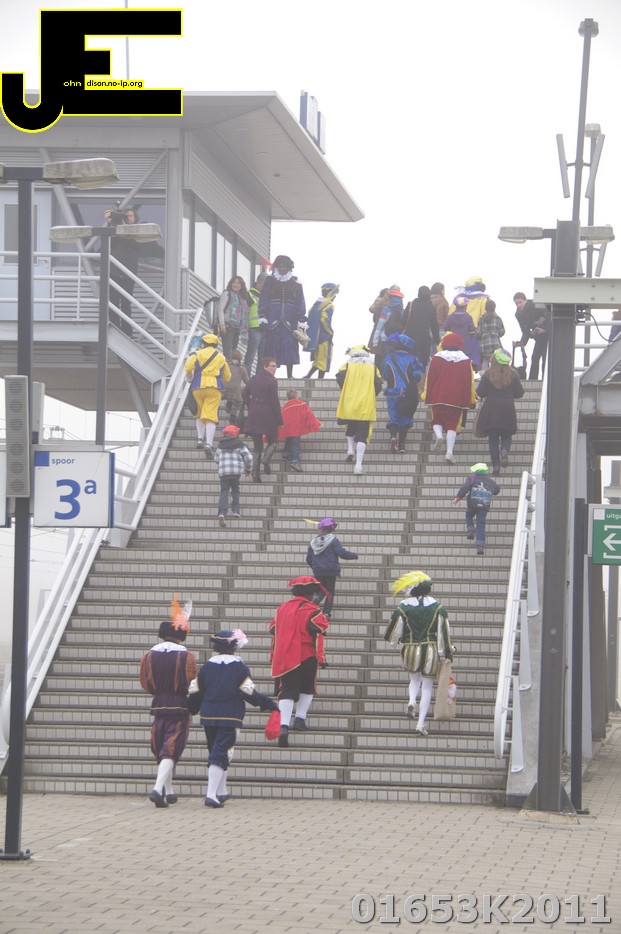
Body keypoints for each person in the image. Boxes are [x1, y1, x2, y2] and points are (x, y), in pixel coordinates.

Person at [196, 628, 278, 807]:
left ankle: (221, 790)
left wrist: (191, 708)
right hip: (230, 715)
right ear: (234, 647)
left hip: (208, 714)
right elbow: (247, 691)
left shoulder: (207, 666)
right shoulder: (239, 666)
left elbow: (197, 690)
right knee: (221, 752)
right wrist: (267, 703)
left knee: (215, 751)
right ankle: (211, 794)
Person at [139, 598, 197, 808]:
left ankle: (169, 790)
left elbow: (145, 682)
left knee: (161, 746)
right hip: (179, 705)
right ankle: (157, 789)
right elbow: (192, 681)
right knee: (171, 747)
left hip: (158, 705)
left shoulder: (148, 656)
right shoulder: (187, 656)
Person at [384, 570, 454, 736]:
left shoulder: (404, 606)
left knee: (414, 680)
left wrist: (395, 641)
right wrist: (447, 651)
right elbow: (443, 631)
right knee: (427, 687)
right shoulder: (437, 607)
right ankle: (420, 723)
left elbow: (393, 630)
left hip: (410, 649)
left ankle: (411, 701)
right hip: (430, 650)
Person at [269, 576, 330, 747]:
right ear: (311, 593)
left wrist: (273, 656)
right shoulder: (313, 610)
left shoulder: (281, 609)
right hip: (306, 655)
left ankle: (283, 727)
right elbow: (319, 632)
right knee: (307, 688)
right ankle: (300, 719)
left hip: (285, 656)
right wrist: (321, 658)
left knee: (287, 690)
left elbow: (273, 631)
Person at [421, 332, 477, 464]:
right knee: (452, 425)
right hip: (456, 398)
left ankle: (439, 435)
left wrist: (426, 394)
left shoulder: (436, 358)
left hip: (438, 395)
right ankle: (449, 453)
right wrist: (472, 398)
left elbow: (430, 378)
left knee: (436, 420)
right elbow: (470, 381)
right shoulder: (465, 360)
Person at [474, 348, 525, 474]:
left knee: (493, 439)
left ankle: (496, 465)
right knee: (507, 435)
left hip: (491, 409)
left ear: (494, 360)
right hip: (508, 408)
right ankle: (505, 451)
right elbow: (519, 393)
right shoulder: (513, 374)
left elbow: (480, 392)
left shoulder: (488, 373)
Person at [335, 344, 383, 475]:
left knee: (350, 426)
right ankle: (358, 466)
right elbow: (378, 384)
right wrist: (371, 394)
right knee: (363, 435)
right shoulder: (373, 367)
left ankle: (350, 449)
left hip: (350, 402)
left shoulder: (347, 365)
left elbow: (339, 377)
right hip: (366, 404)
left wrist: (347, 389)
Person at [184, 332, 231, 459]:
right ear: (216, 345)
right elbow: (227, 377)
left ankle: (200, 439)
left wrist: (189, 376)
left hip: (197, 386)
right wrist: (221, 379)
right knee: (210, 416)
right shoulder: (221, 357)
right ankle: (209, 444)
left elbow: (188, 367)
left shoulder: (197, 354)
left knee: (199, 413)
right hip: (214, 387)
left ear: (203, 343)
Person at [259, 255, 307, 377]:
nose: (281, 269)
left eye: (284, 266)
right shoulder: (269, 280)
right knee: (271, 347)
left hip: (290, 321)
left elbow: (300, 301)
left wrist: (301, 318)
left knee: (289, 347)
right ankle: (270, 374)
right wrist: (263, 315)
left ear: (289, 267)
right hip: (272, 319)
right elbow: (264, 299)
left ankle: (289, 375)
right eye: (279, 266)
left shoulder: (296, 282)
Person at [305, 517, 358, 619]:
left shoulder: (313, 542)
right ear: (331, 530)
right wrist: (354, 555)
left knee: (320, 589)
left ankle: (316, 601)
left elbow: (308, 559)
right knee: (329, 592)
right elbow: (341, 553)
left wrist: (315, 567)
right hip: (330, 571)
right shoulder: (333, 540)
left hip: (318, 571)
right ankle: (326, 613)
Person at [381, 333, 425, 453]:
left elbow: (385, 374)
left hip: (392, 392)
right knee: (406, 417)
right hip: (407, 392)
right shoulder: (412, 358)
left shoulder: (389, 357)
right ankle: (402, 445)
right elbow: (417, 375)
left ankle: (393, 436)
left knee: (394, 415)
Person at [241, 355, 283, 481]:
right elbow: (275, 402)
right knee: (273, 440)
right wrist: (279, 420)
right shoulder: (272, 381)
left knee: (257, 446)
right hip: (268, 415)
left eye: (276, 366)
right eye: (273, 366)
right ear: (265, 366)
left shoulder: (254, 378)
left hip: (254, 415)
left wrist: (251, 405)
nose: (275, 368)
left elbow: (244, 393)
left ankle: (255, 474)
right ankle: (266, 459)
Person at [106, 205, 141, 335]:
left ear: (135, 218)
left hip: (129, 273)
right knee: (113, 302)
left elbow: (135, 245)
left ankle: (127, 332)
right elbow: (108, 243)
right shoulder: (115, 231)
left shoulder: (138, 232)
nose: (129, 218)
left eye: (131, 216)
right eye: (126, 216)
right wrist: (111, 223)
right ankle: (114, 329)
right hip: (114, 272)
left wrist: (125, 227)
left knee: (126, 303)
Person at [452, 462, 500, 556]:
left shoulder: (472, 479)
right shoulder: (490, 481)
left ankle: (470, 529)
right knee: (481, 523)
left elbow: (464, 488)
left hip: (472, 504)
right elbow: (497, 490)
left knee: (469, 515)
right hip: (484, 505)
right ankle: (480, 545)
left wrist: (457, 498)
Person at [214, 424, 253, 527]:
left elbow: (216, 459)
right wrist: (248, 469)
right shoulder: (239, 444)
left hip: (223, 472)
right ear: (235, 433)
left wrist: (222, 463)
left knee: (224, 491)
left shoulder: (220, 445)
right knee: (235, 490)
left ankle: (222, 513)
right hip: (235, 472)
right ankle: (236, 510)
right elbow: (249, 457)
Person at [278, 388, 322, 472]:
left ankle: (285, 453)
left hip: (288, 428)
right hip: (296, 427)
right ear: (296, 396)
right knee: (295, 444)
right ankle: (295, 461)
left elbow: (281, 418)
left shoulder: (285, 407)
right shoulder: (301, 404)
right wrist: (316, 423)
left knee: (289, 438)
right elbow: (308, 414)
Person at [304, 282, 339, 379]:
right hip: (324, 337)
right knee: (324, 359)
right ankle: (320, 380)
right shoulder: (329, 305)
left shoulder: (315, 305)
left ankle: (308, 376)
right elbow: (324, 319)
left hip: (314, 338)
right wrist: (330, 332)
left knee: (318, 359)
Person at [402, 285, 440, 370]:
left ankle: (408, 376)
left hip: (409, 338)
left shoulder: (411, 304)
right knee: (421, 363)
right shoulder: (430, 308)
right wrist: (438, 341)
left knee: (408, 361)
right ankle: (419, 377)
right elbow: (434, 326)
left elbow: (403, 321)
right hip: (423, 340)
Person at [513, 291, 549, 379]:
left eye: (520, 302)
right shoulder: (518, 314)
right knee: (535, 357)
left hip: (549, 334)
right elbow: (525, 331)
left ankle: (545, 379)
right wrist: (521, 343)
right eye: (516, 303)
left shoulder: (535, 304)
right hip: (538, 336)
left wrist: (545, 330)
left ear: (525, 300)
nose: (518, 305)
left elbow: (549, 316)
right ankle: (533, 379)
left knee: (545, 358)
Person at [216, 275, 252, 362]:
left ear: (241, 285)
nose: (236, 284)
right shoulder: (227, 293)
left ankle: (231, 369)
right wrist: (222, 324)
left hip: (237, 327)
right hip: (228, 326)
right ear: (231, 284)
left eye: (238, 283)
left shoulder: (242, 298)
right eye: (234, 282)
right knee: (227, 353)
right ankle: (227, 369)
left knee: (233, 352)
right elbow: (220, 310)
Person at [370, 286, 405, 372]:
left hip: (381, 335)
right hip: (391, 336)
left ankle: (380, 375)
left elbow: (375, 318)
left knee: (380, 359)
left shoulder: (387, 306)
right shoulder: (397, 306)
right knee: (385, 359)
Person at [444, 299, 482, 371]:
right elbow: (472, 329)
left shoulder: (450, 317)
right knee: (463, 361)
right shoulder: (468, 317)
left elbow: (446, 328)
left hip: (453, 342)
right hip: (465, 343)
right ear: (465, 307)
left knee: (453, 361)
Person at [244, 277, 267, 376]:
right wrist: (244, 330)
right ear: (257, 283)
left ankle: (259, 379)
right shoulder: (249, 294)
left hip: (265, 330)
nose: (264, 287)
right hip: (254, 329)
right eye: (262, 284)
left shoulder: (266, 297)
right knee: (250, 357)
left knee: (262, 358)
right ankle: (246, 379)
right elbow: (245, 313)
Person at [222, 347, 249, 427]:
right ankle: (233, 417)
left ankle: (229, 402)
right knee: (238, 401)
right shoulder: (242, 368)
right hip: (235, 391)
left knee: (227, 394)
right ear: (240, 358)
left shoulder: (226, 365)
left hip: (224, 389)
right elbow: (247, 381)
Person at [477, 298, 506, 370]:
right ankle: (494, 374)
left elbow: (479, 332)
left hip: (484, 344)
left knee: (485, 360)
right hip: (496, 344)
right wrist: (496, 334)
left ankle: (484, 374)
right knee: (496, 361)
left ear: (485, 308)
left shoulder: (481, 318)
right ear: (494, 308)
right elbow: (502, 331)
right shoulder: (498, 318)